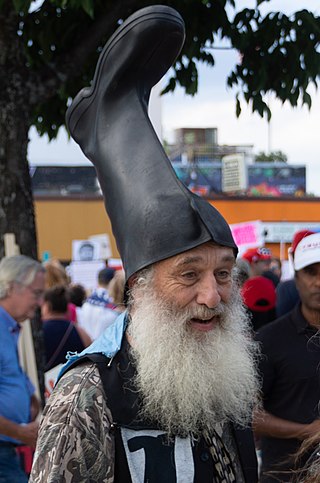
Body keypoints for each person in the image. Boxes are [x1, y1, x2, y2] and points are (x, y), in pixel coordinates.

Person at [30, 6, 260, 482]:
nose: (212, 297)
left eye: (223, 273)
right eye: (189, 274)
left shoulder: (226, 380)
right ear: (140, 286)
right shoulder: (87, 396)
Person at [253, 230, 320, 482]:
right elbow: (246, 416)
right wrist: (308, 431)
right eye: (311, 272)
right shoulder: (270, 339)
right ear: (297, 275)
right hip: (285, 475)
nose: (318, 282)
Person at [0, 255, 45, 482]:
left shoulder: (8, 328)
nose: (39, 303)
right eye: (36, 293)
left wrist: (29, 398)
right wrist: (19, 431)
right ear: (10, 287)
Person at [41, 285, 91, 371]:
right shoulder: (79, 331)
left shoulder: (38, 331)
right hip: (72, 381)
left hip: (46, 382)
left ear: (47, 306)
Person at [77, 267, 117, 340]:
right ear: (114, 282)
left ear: (98, 281)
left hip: (87, 347)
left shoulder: (86, 303)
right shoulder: (113, 305)